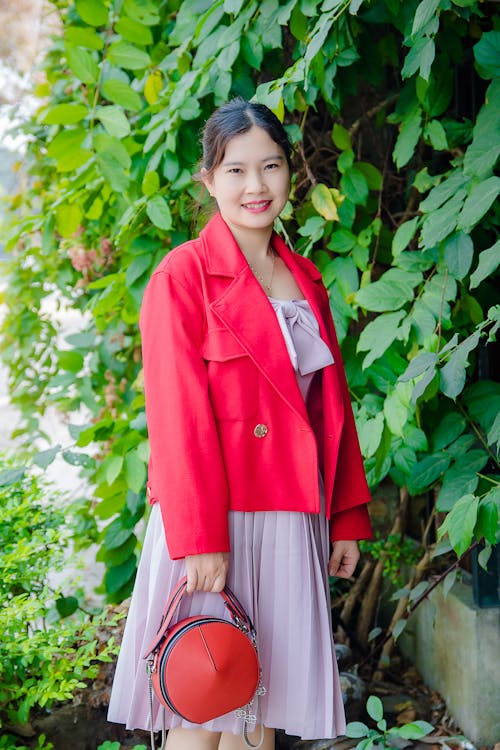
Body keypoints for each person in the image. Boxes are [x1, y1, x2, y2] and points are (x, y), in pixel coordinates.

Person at [108, 98, 373, 750]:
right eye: (235, 170)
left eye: (271, 167)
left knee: (261, 715)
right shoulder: (183, 276)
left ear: (291, 172)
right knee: (204, 704)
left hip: (292, 515)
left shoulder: (306, 280)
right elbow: (177, 419)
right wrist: (201, 538)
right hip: (215, 522)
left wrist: (345, 516)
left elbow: (328, 410)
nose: (256, 187)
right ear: (208, 179)